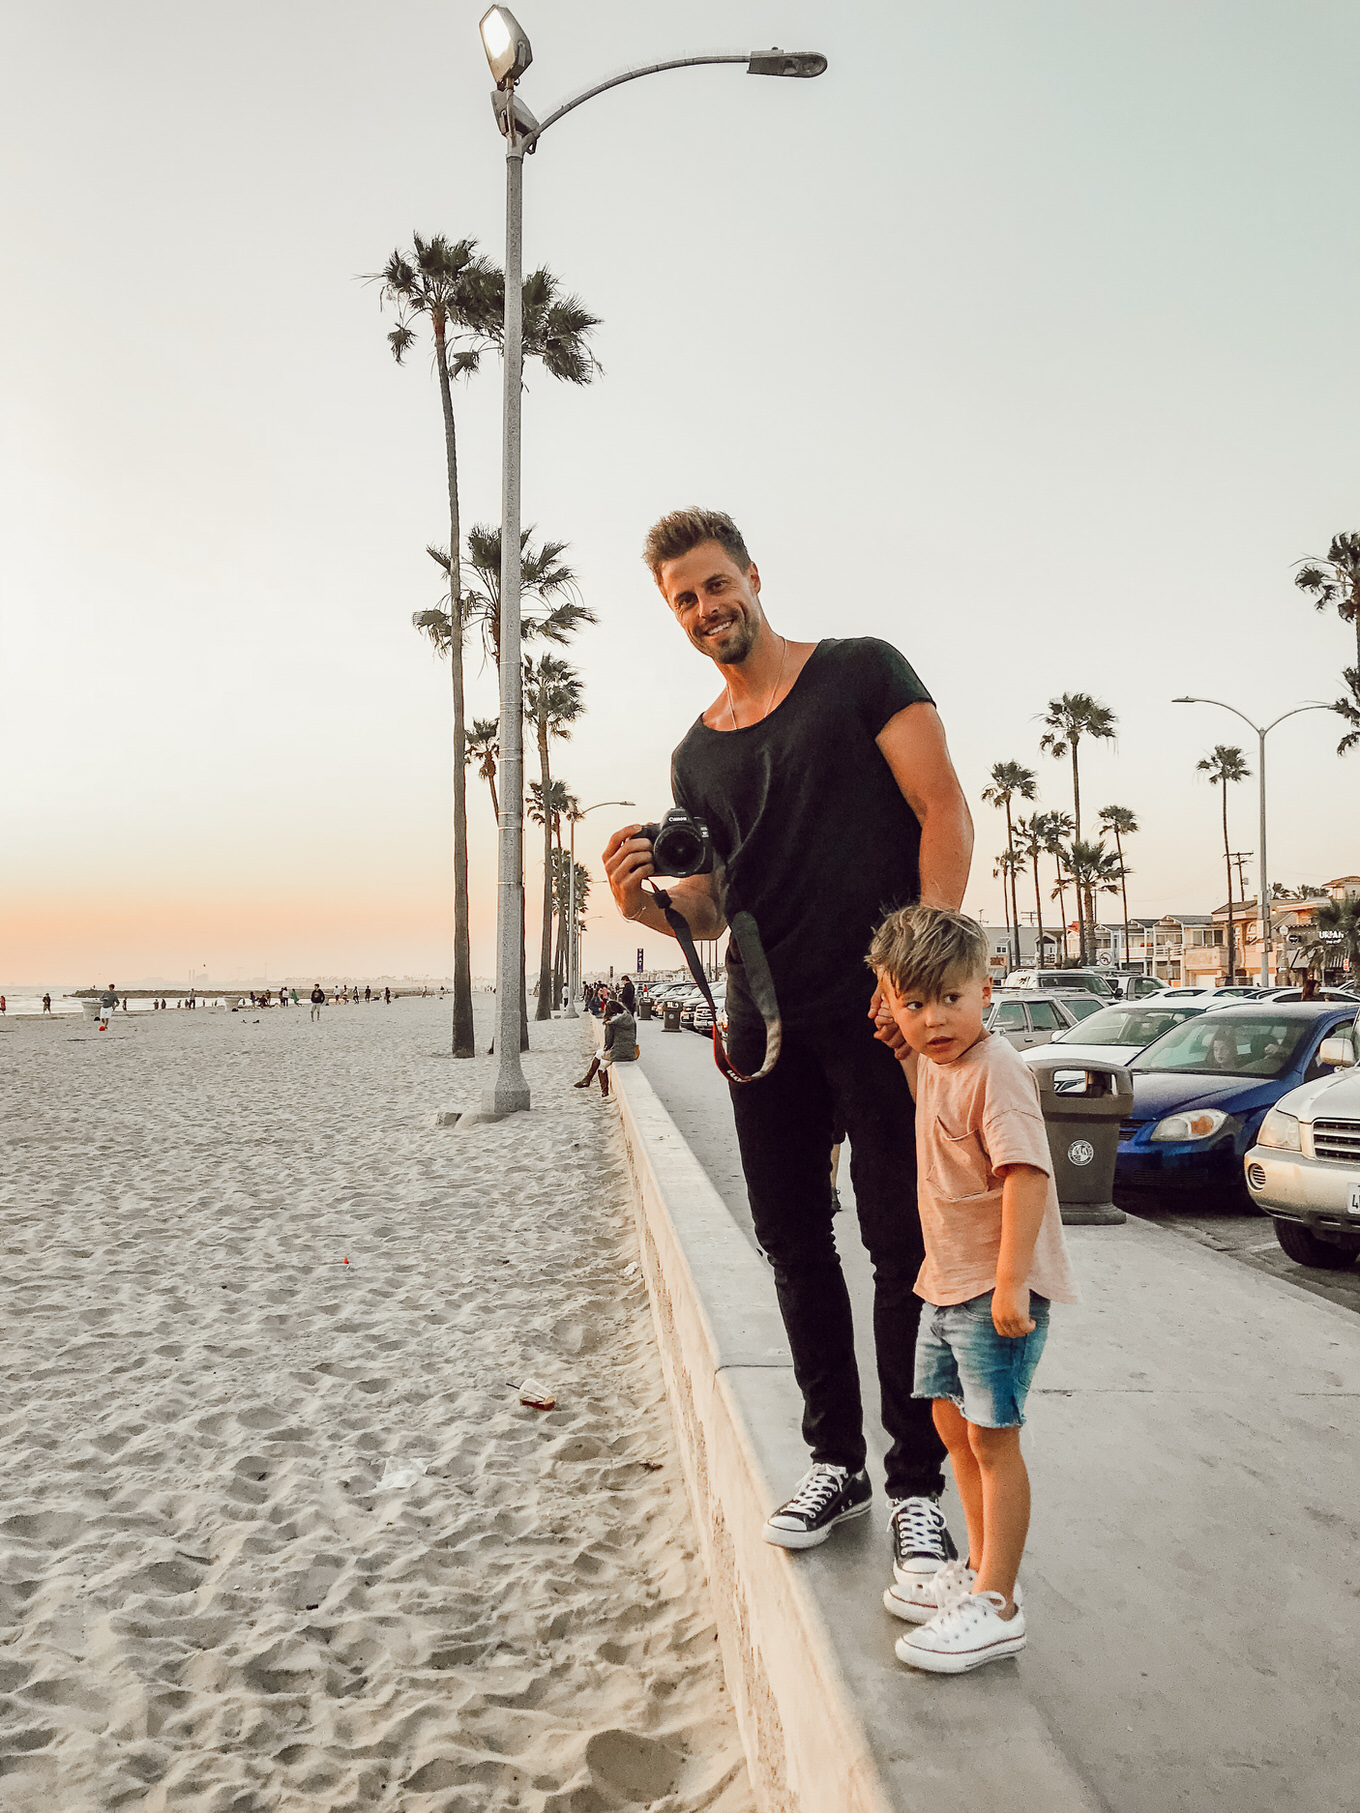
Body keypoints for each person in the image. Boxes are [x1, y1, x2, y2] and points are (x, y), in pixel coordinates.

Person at [604, 508, 973, 1577]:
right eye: (683, 597)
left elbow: (941, 807)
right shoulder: (693, 755)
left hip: (880, 1011)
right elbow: (720, 905)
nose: (706, 607)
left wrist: (913, 975)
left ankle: (914, 1484)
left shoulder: (859, 671)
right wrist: (648, 909)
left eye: (717, 584)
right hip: (766, 1024)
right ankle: (835, 1460)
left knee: (902, 1248)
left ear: (754, 577)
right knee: (793, 1243)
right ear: (671, 613)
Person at [869, 904, 1078, 1673]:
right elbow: (910, 1048)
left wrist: (1012, 1285)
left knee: (994, 1438)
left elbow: (1026, 1176)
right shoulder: (934, 1063)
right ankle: (975, 1572)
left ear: (985, 990)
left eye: (949, 999)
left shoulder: (998, 1073)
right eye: (913, 1003)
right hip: (944, 1285)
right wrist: (898, 1020)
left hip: (995, 1291)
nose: (933, 1019)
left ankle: (999, 1601)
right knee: (953, 1431)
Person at [574, 999, 637, 1096]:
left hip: (619, 1053)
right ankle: (587, 1080)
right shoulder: (629, 1019)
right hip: (631, 1052)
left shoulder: (611, 1023)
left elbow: (608, 1042)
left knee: (601, 1065)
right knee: (599, 1054)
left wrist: (606, 1050)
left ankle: (603, 1091)